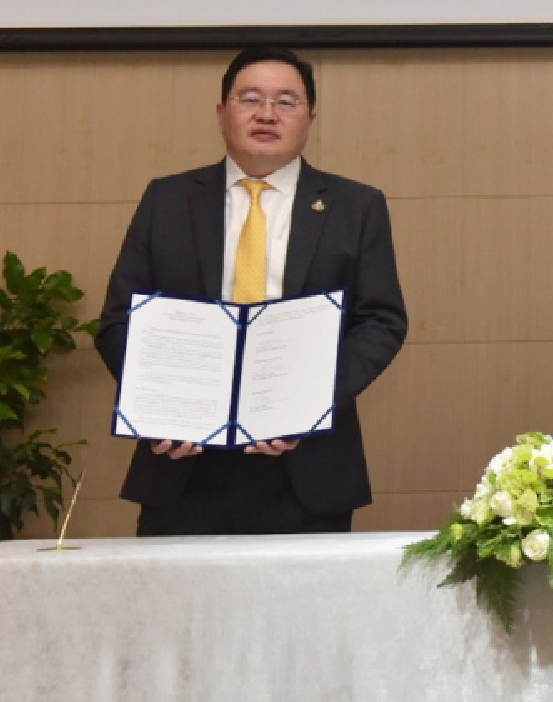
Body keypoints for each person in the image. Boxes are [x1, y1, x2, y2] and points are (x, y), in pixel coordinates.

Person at [96, 48, 408, 535]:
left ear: (310, 118)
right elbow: (120, 320)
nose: (267, 114)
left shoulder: (356, 205)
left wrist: (311, 402)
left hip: (306, 464)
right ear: (222, 113)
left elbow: (381, 321)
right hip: (183, 461)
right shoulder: (168, 199)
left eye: (286, 101)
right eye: (250, 99)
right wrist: (160, 407)